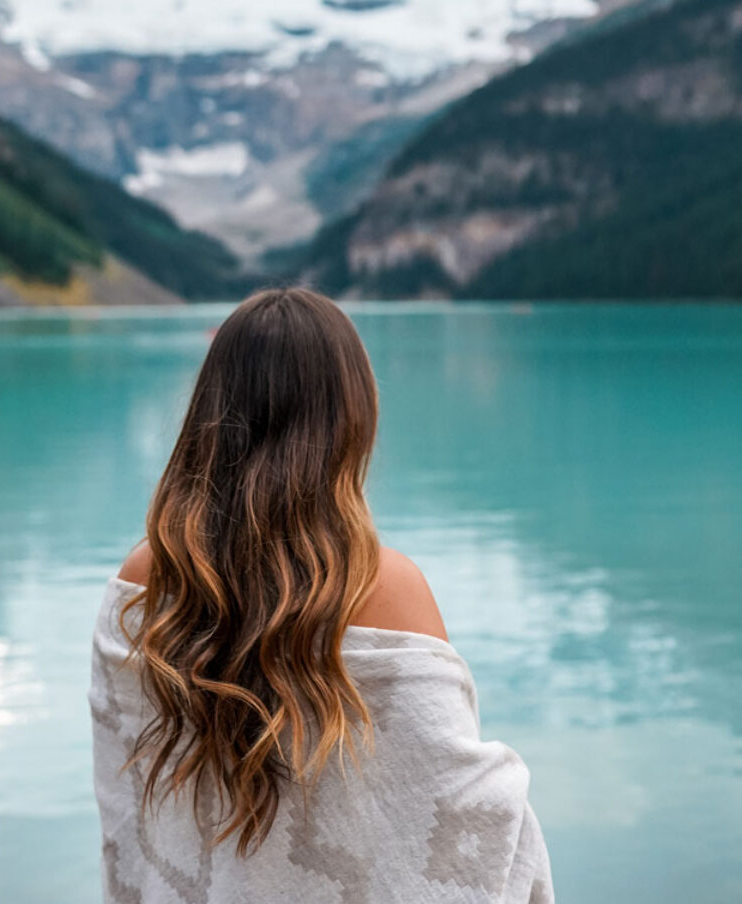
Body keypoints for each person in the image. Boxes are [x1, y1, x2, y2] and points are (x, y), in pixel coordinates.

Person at [90, 287, 554, 902]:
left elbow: (131, 810)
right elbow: (461, 816)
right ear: (352, 416)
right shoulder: (385, 586)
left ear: (209, 408)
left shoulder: (143, 579)